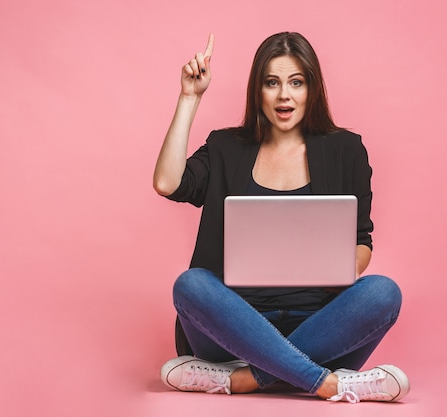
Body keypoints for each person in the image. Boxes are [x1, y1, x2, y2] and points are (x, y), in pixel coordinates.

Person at [153, 32, 410, 403]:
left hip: (319, 326)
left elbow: (362, 240)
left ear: (313, 89)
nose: (284, 95)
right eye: (272, 83)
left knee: (383, 292)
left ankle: (245, 379)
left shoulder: (346, 150)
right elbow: (167, 182)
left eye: (296, 82)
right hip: (235, 331)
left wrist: (343, 268)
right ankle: (324, 382)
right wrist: (189, 98)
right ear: (258, 90)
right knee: (190, 285)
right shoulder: (226, 147)